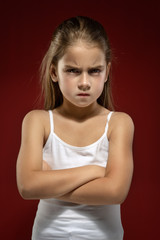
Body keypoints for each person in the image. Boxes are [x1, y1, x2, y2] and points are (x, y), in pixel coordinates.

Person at [16, 16, 134, 240]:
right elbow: (27, 187)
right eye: (72, 70)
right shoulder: (37, 121)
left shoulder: (119, 123)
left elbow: (115, 192)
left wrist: (49, 182)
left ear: (107, 72)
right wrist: (95, 172)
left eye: (94, 71)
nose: (84, 82)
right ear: (54, 72)